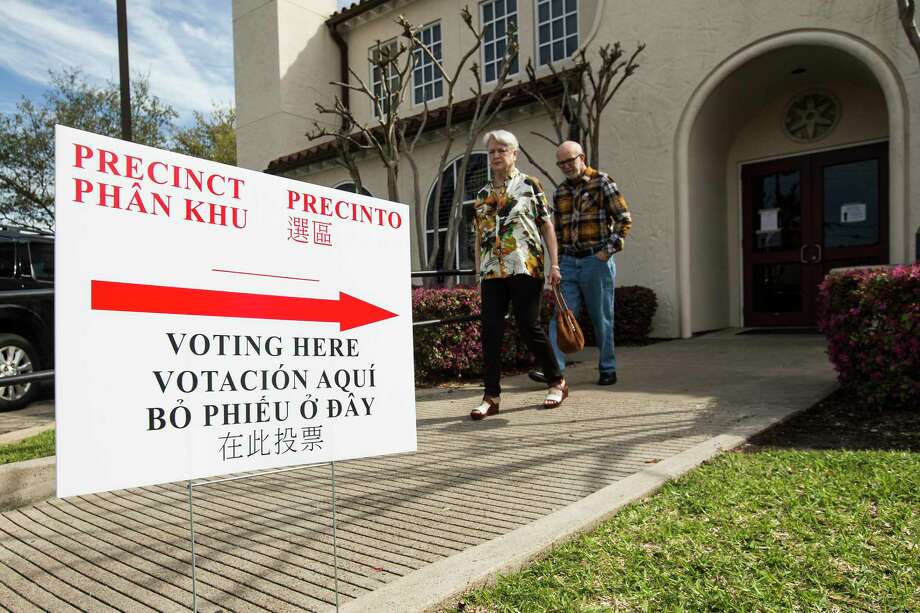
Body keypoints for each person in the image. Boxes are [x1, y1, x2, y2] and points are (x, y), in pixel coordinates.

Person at [470, 130, 567, 420]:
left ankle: (556, 381)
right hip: (492, 272)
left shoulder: (530, 185)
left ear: (515, 153)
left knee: (528, 325)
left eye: (502, 150)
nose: (496, 156)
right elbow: (479, 237)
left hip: (526, 266)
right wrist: (479, 272)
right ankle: (491, 396)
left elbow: (547, 226)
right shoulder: (481, 195)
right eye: (492, 152)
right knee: (490, 332)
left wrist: (555, 264)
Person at [530, 141, 632, 386]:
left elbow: (623, 219)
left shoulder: (602, 182)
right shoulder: (561, 192)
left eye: (569, 160)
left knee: (602, 317)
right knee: (562, 315)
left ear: (582, 157)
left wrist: (606, 253)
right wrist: (558, 262)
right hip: (568, 263)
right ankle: (553, 369)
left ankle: (607, 368)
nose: (565, 166)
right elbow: (560, 232)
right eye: (561, 163)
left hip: (596, 260)